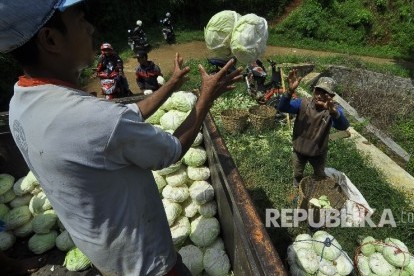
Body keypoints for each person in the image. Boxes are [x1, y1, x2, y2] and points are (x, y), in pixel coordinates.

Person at [1, 1, 242, 276]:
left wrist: (171, 84)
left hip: (108, 259)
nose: (90, 27)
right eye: (80, 20)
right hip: (150, 265)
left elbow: (125, 115)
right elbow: (171, 151)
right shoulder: (92, 119)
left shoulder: (20, 103)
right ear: (51, 39)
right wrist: (205, 99)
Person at [278, 71, 350, 187]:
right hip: (299, 150)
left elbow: (343, 126)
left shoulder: (332, 110)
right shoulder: (303, 103)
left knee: (319, 174)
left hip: (318, 153)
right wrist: (290, 91)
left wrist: (334, 113)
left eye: (325, 93)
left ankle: (317, 188)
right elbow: (282, 107)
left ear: (331, 96)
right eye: (318, 91)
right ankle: (297, 186)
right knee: (297, 173)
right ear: (313, 91)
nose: (320, 95)